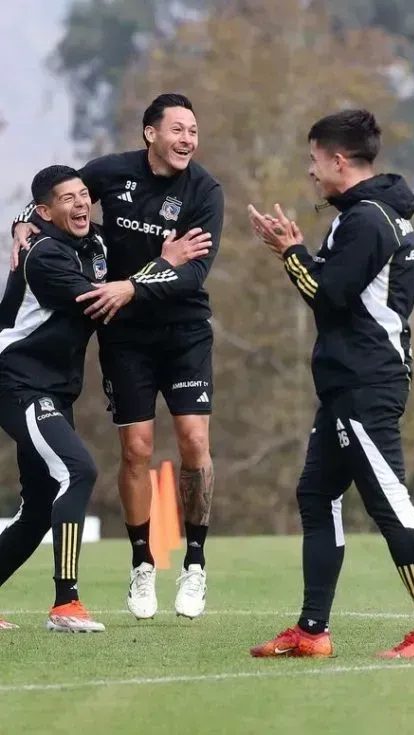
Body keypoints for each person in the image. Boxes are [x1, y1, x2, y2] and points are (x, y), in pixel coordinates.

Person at [246, 109, 414, 659]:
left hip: (366, 382)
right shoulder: (367, 216)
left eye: (314, 161)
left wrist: (291, 255)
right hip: (349, 383)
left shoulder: (367, 219)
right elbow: (344, 287)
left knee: (389, 503)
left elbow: (328, 297)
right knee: (316, 494)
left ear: (338, 160)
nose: (311, 172)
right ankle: (312, 631)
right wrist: (301, 253)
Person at [10, 93, 221, 620]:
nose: (187, 139)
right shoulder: (109, 174)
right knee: (135, 450)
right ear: (149, 132)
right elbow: (56, 198)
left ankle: (194, 562)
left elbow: (192, 271)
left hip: (185, 329)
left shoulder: (205, 191)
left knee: (194, 439)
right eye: (177, 129)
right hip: (123, 332)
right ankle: (142, 563)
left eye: (193, 131)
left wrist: (133, 283)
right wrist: (20, 223)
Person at [0, 166, 125, 631]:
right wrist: (157, 278)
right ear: (45, 212)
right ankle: (65, 604)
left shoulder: (93, 243)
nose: (80, 204)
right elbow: (101, 301)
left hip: (52, 388)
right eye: (66, 199)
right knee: (78, 470)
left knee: (37, 508)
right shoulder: (45, 255)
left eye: (84, 195)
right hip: (17, 382)